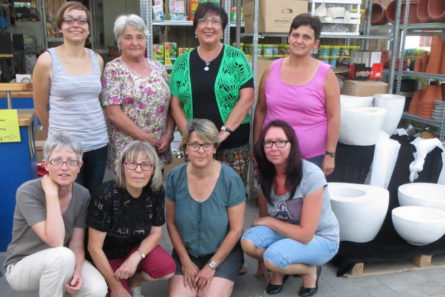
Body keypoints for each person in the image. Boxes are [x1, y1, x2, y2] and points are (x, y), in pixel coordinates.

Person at [3, 133, 107, 297]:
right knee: (61, 254)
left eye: (71, 161)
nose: (64, 167)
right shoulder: (28, 191)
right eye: (57, 160)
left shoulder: (82, 194)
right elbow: (56, 240)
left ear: (80, 166)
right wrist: (51, 194)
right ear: (46, 164)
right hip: (22, 266)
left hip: (62, 261)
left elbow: (77, 244)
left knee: (97, 290)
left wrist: (78, 271)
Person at [241, 120, 339, 297]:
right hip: (287, 233)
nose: (274, 147)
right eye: (268, 142)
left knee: (273, 256)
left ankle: (309, 272)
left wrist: (269, 222)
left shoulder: (310, 175)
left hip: (320, 238)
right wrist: (261, 263)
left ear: (292, 145)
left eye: (281, 142)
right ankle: (279, 267)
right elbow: (263, 220)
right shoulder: (263, 175)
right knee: (248, 241)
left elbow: (305, 234)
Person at [88, 141, 176, 297]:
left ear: (153, 170)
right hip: (106, 256)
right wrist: (115, 287)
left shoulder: (156, 191)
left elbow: (156, 232)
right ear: (122, 167)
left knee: (166, 268)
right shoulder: (106, 194)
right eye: (132, 164)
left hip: (133, 251)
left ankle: (134, 282)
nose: (138, 170)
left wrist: (136, 257)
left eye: (145, 164)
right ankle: (106, 285)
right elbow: (93, 248)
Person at [169, 2, 254, 185]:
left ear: (222, 29)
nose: (209, 26)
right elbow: (175, 103)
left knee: (231, 194)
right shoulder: (182, 62)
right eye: (203, 21)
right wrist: (190, 137)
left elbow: (247, 98)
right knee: (197, 191)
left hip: (232, 143)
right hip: (196, 147)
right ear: (196, 28)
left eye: (215, 21)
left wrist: (222, 135)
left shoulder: (237, 57)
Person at [166, 119, 245, 297]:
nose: (200, 150)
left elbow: (236, 230)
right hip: (188, 252)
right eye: (194, 144)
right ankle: (195, 270)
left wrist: (212, 266)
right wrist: (185, 261)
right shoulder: (174, 177)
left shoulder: (231, 179)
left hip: (222, 254)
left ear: (215, 148)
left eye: (206, 144)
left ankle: (229, 273)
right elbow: (171, 223)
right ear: (186, 148)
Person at [32, 1, 108, 194]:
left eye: (82, 20)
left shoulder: (97, 60)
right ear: (60, 26)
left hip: (97, 143)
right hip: (64, 148)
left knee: (93, 200)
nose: (76, 24)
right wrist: (56, 134)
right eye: (69, 20)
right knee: (69, 201)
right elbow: (40, 106)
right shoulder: (47, 60)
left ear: (89, 28)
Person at [254, 14, 340, 177]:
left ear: (316, 44)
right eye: (295, 35)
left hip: (311, 158)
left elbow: (334, 117)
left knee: (307, 201)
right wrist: (257, 146)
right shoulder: (271, 70)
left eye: (306, 37)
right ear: (288, 38)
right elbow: (260, 110)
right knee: (270, 198)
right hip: (273, 155)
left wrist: (330, 154)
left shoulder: (326, 74)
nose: (299, 41)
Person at [101, 14, 175, 171]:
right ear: (119, 42)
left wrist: (168, 135)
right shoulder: (113, 69)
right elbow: (113, 113)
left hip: (158, 148)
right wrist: (146, 138)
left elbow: (170, 105)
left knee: (154, 191)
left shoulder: (158, 68)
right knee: (129, 193)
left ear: (146, 40)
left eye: (139, 37)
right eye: (128, 37)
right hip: (129, 150)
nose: (135, 43)